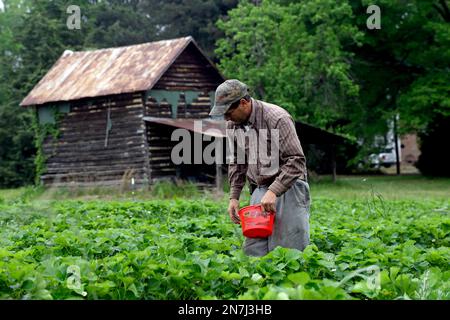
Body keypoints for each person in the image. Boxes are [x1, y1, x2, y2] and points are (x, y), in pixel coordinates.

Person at [209, 79, 311, 257]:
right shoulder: (233, 125)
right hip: (259, 190)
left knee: (288, 251)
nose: (226, 118)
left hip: (289, 188)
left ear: (243, 102)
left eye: (228, 112)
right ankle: (257, 283)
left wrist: (273, 191)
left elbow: (296, 161)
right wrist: (234, 197)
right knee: (254, 249)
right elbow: (237, 162)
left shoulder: (277, 118)